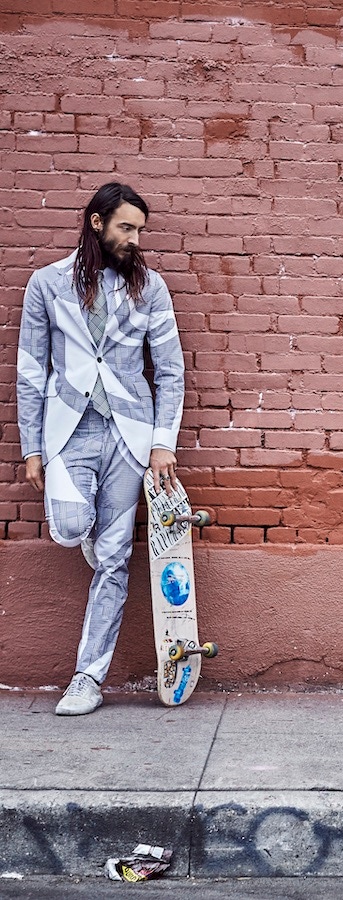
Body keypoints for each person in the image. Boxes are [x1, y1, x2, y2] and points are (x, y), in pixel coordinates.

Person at [17, 182, 185, 716]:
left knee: (115, 559)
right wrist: (31, 447)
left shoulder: (150, 288)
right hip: (68, 431)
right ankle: (92, 540)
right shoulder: (46, 285)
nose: (135, 239)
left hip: (129, 435)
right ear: (96, 223)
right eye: (126, 228)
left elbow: (172, 372)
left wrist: (162, 445)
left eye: (140, 230)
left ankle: (87, 678)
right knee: (69, 527)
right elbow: (28, 371)